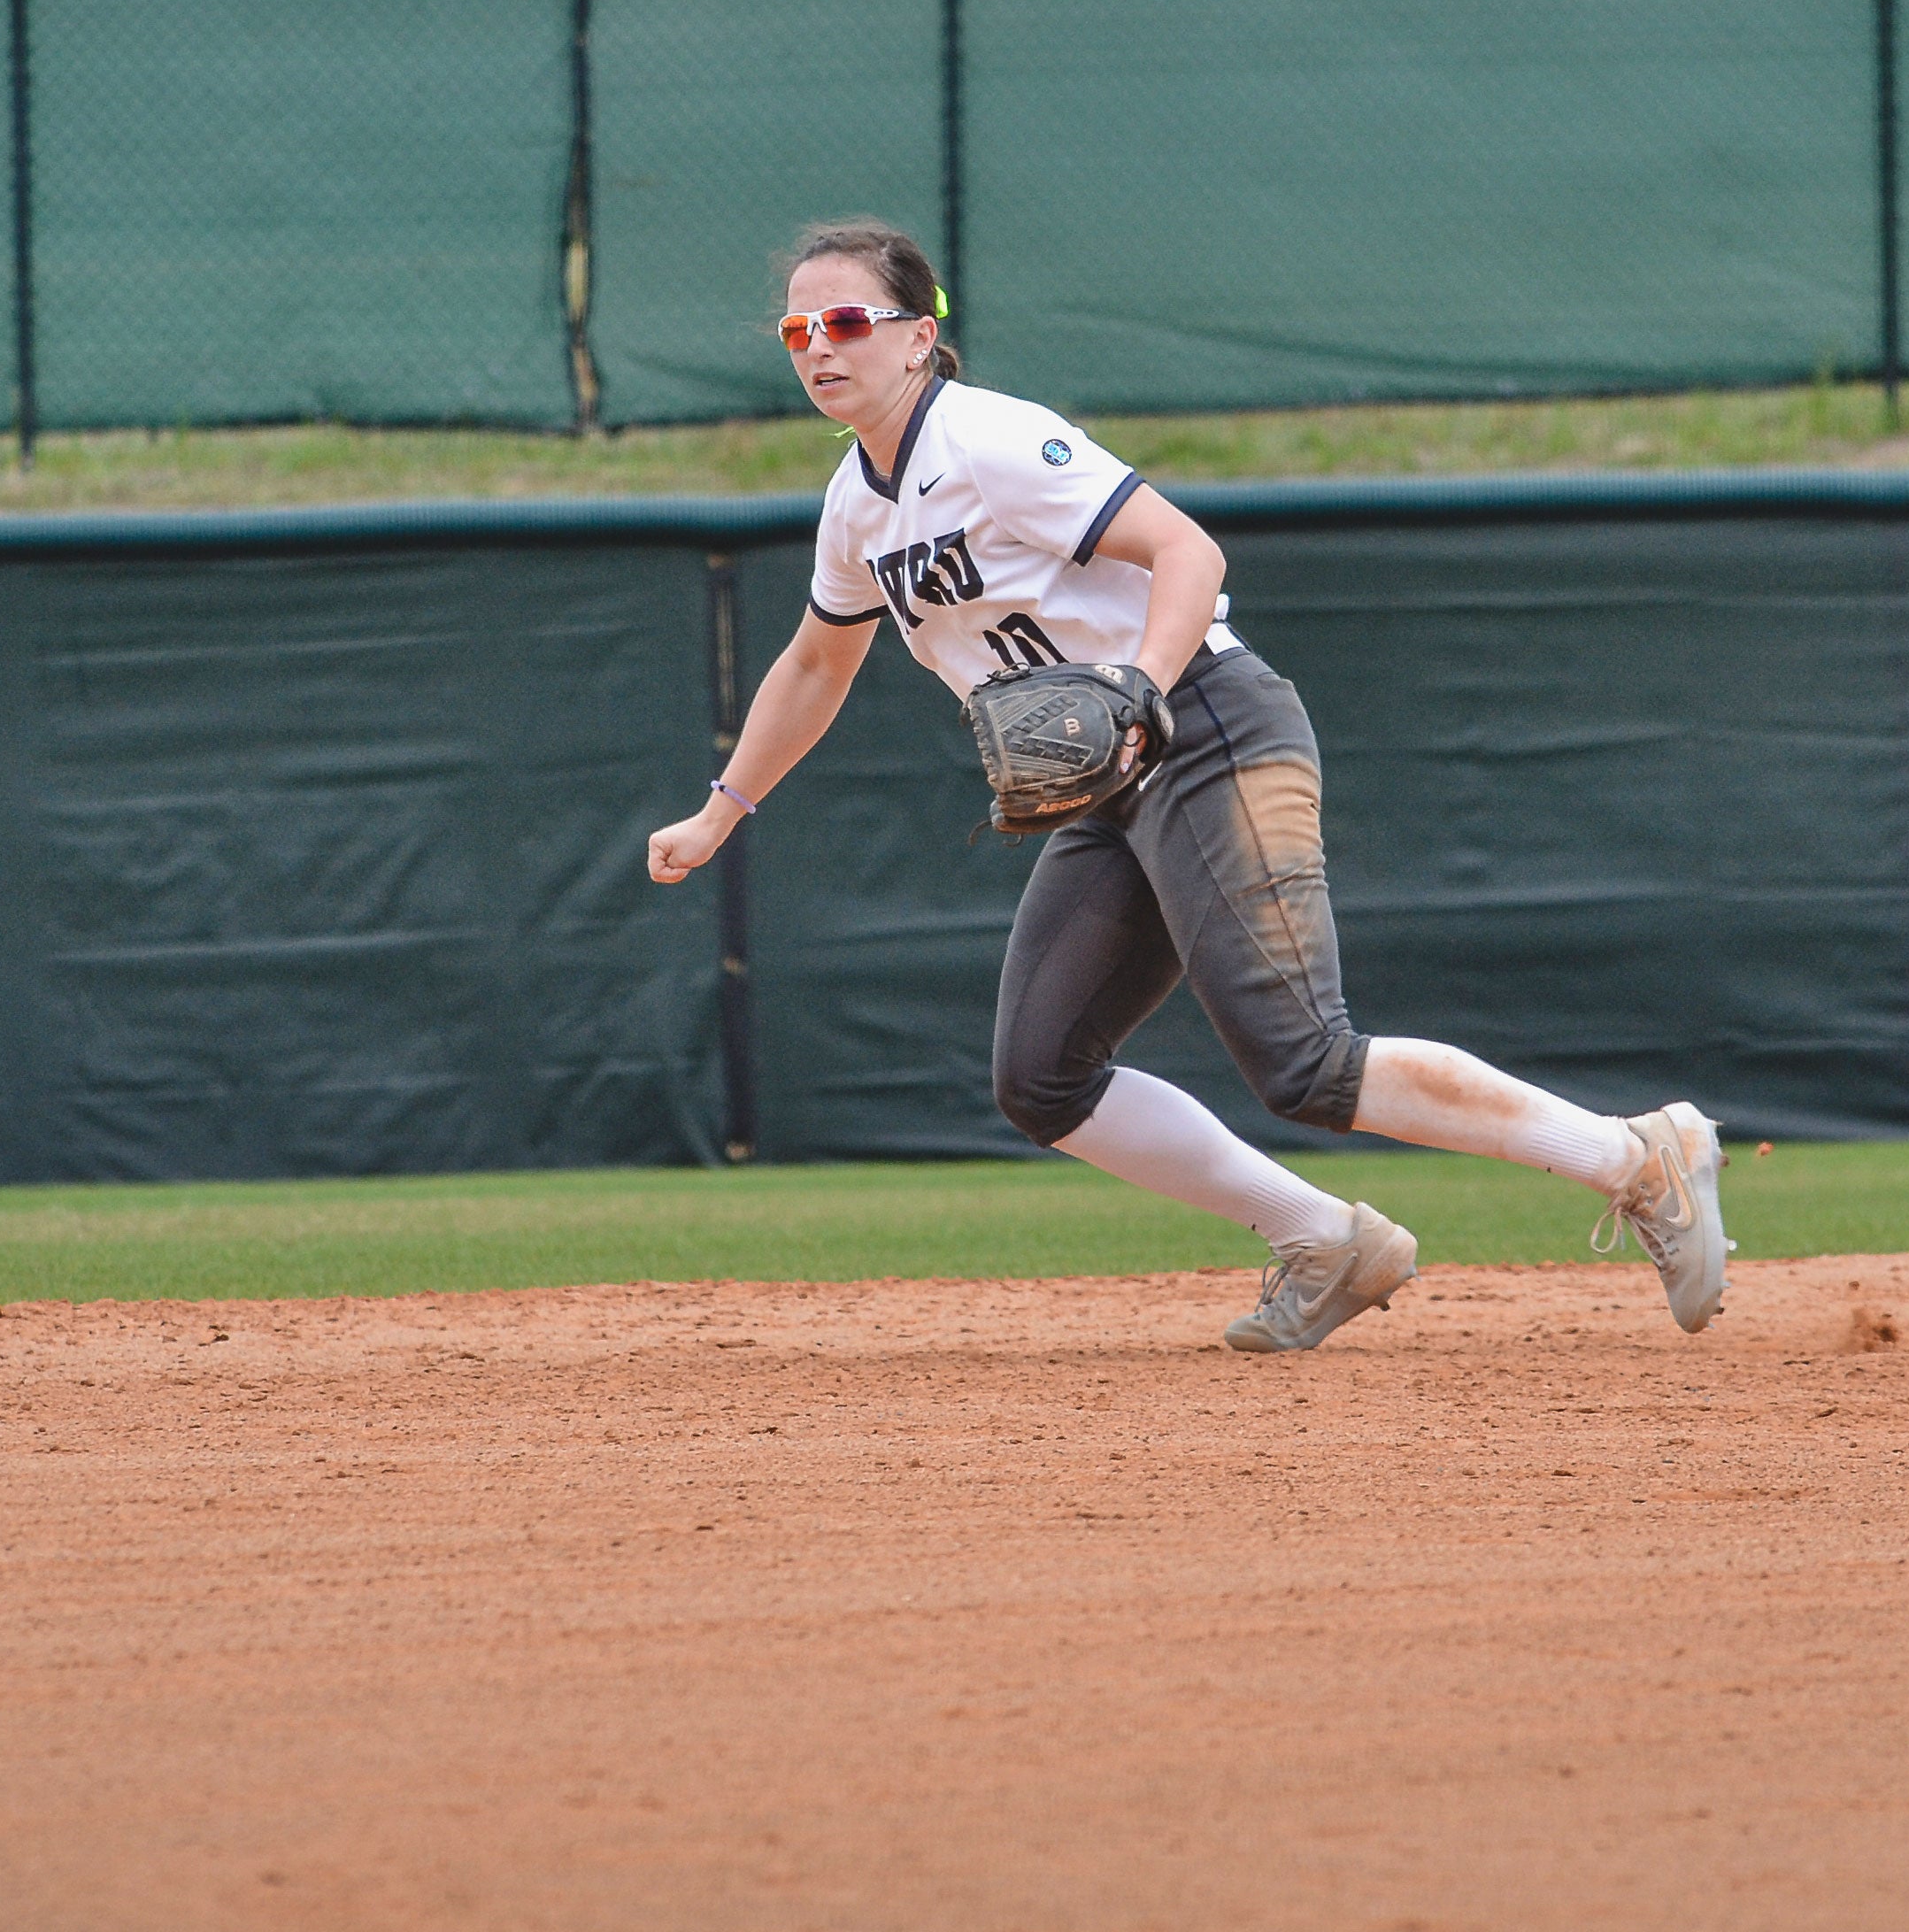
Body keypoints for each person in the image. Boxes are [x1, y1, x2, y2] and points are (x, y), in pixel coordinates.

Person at [644, 218, 1731, 1353]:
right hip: (1109, 785)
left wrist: (1140, 692)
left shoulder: (990, 440)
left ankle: (1638, 1157)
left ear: (919, 337)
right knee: (1042, 1077)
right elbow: (819, 661)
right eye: (798, 329)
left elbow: (1189, 553)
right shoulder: (858, 504)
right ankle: (1327, 1239)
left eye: (849, 321)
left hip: (1207, 728)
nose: (821, 346)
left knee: (1305, 1059)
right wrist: (725, 810)